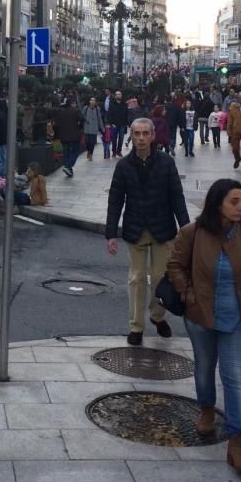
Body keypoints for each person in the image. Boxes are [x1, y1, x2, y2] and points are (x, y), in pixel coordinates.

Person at [167, 179, 241, 472]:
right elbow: (175, 266)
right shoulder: (192, 234)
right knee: (204, 368)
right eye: (234, 201)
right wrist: (188, 294)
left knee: (234, 378)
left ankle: (236, 440)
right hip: (200, 316)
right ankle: (206, 408)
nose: (240, 207)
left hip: (238, 320)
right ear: (217, 202)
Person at [105, 117, 190, 346]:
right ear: (130, 137)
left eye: (145, 134)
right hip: (136, 229)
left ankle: (157, 316)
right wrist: (111, 233)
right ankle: (136, 326)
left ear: (153, 136)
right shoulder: (123, 166)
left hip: (163, 229)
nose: (141, 138)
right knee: (136, 278)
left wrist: (187, 229)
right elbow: (115, 200)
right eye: (137, 134)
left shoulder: (166, 163)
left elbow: (177, 197)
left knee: (161, 277)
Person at [54, 99, 83, 177]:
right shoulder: (76, 111)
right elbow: (82, 120)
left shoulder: (60, 112)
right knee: (75, 152)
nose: (75, 105)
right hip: (74, 136)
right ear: (72, 104)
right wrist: (79, 127)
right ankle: (68, 166)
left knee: (66, 153)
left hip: (63, 137)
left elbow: (56, 125)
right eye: (74, 103)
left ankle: (69, 170)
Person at [80, 96, 105, 163]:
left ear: (95, 102)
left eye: (94, 100)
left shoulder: (97, 109)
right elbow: (81, 116)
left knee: (92, 142)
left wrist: (102, 128)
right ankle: (88, 151)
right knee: (87, 142)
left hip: (94, 128)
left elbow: (99, 119)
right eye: (91, 100)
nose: (92, 101)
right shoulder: (85, 108)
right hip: (87, 127)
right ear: (89, 101)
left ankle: (91, 154)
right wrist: (85, 120)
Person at [106, 90, 128, 156]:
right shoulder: (112, 104)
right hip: (114, 125)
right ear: (115, 96)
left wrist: (126, 123)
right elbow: (109, 115)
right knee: (114, 139)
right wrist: (111, 123)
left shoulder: (124, 104)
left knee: (121, 139)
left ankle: (119, 151)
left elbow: (126, 114)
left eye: (120, 94)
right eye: (117, 94)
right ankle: (114, 151)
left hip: (122, 124)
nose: (119, 95)